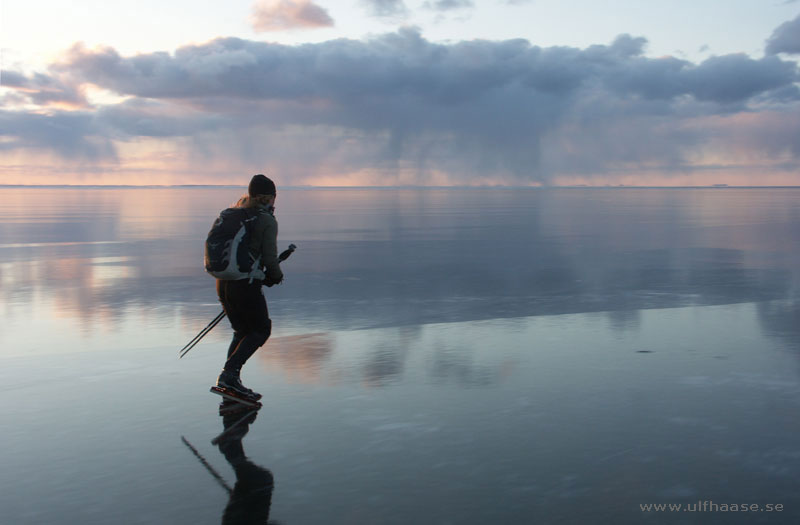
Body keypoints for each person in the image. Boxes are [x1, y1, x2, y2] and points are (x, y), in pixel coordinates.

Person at [215, 174, 283, 401]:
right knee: (261, 330)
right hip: (245, 284)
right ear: (270, 197)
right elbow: (270, 258)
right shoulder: (265, 220)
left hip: (223, 283)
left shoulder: (235, 213)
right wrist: (275, 276)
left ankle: (231, 380)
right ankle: (229, 375)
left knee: (242, 331)